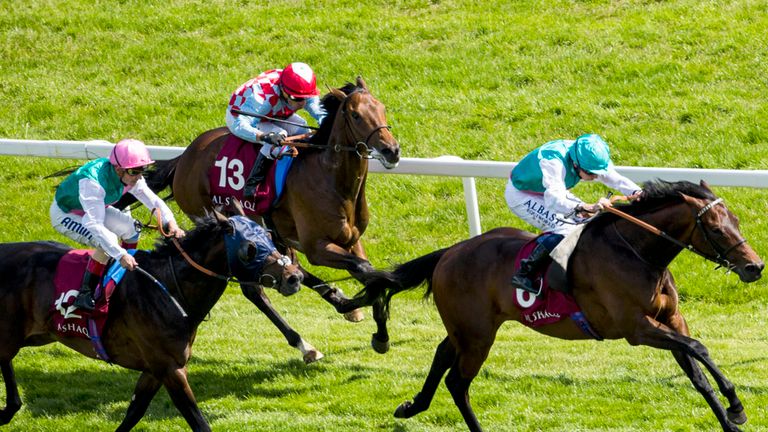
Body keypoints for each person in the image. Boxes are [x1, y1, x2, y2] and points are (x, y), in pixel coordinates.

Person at [50, 139, 186, 312]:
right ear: (118, 169)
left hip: (93, 209)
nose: (139, 176)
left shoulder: (130, 176)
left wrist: (171, 222)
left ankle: (122, 278)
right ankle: (85, 293)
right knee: (108, 241)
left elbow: (152, 200)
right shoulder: (92, 182)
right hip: (66, 214)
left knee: (131, 229)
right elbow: (95, 225)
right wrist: (121, 255)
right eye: (134, 171)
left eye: (142, 170)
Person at [505, 133, 642, 295]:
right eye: (592, 173)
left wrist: (637, 192)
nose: (596, 176)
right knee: (565, 229)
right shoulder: (553, 161)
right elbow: (553, 199)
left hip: (548, 191)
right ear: (576, 164)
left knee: (588, 224)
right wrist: (584, 206)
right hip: (523, 194)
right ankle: (525, 273)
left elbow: (614, 178)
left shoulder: (589, 155)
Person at [225, 62, 327, 197]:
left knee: (303, 130)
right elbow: (241, 125)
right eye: (296, 99)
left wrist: (326, 123)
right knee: (279, 136)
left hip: (275, 112)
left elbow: (319, 112)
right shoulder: (262, 96)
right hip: (239, 116)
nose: (302, 104)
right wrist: (263, 136)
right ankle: (253, 184)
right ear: (284, 91)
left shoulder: (302, 89)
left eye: (305, 98)